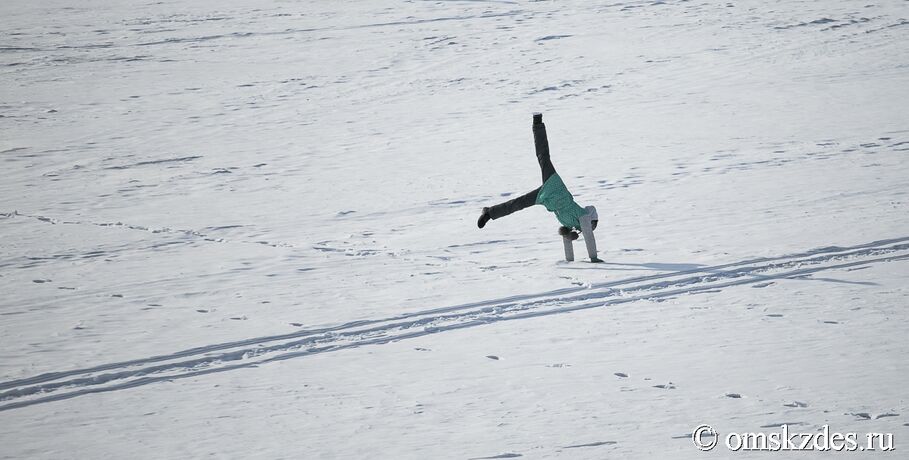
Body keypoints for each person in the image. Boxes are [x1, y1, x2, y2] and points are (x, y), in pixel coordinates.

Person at [477, 113, 602, 262]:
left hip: (546, 198)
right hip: (555, 186)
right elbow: (589, 234)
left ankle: (489, 212)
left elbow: (568, 238)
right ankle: (538, 124)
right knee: (543, 156)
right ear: (591, 220)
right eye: (593, 224)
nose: (591, 228)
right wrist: (593, 258)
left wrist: (570, 248)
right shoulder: (585, 216)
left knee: (518, 203)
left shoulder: (571, 224)